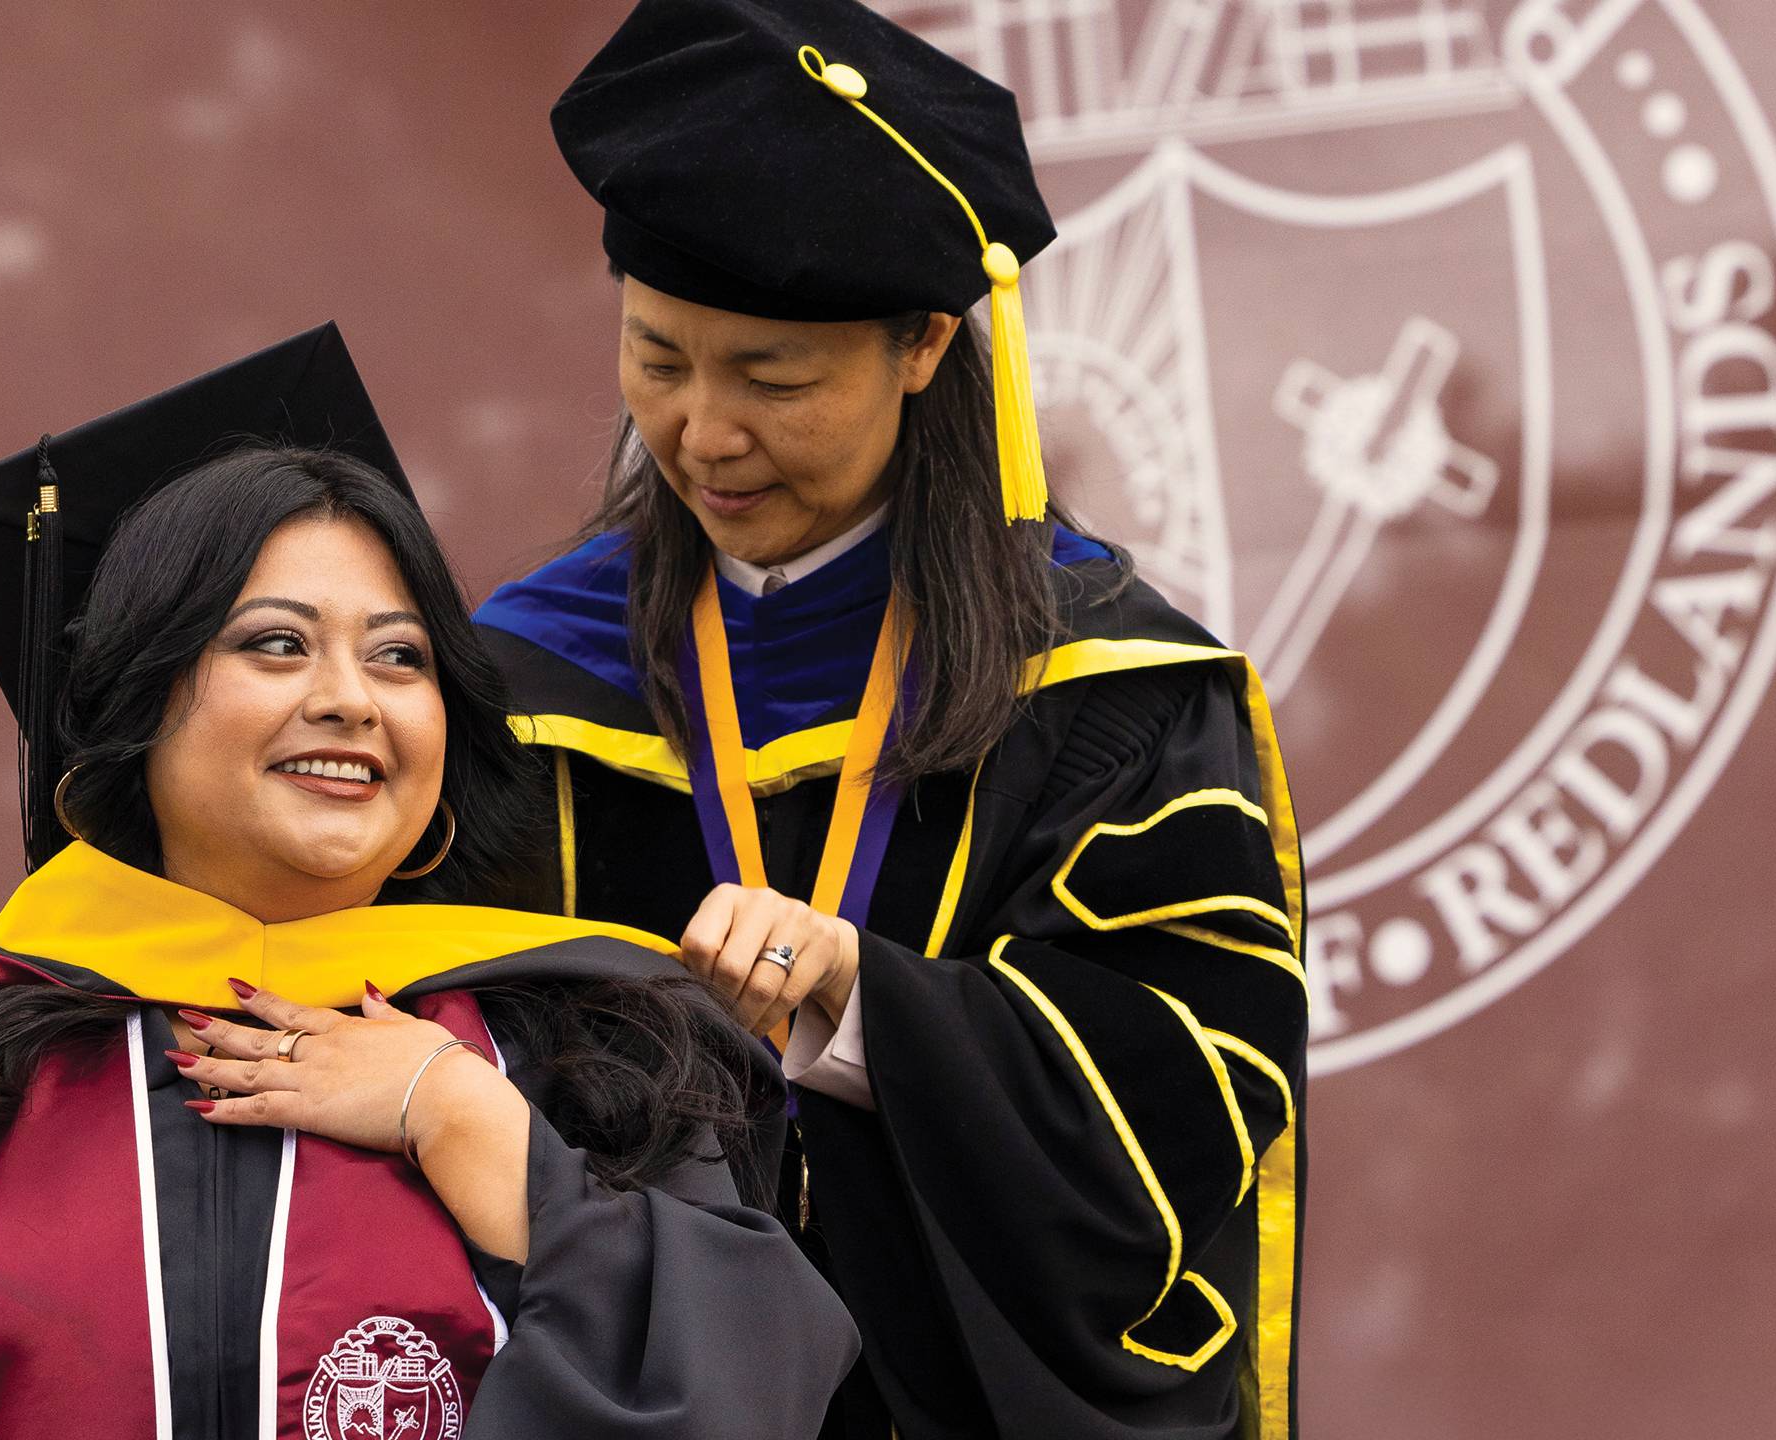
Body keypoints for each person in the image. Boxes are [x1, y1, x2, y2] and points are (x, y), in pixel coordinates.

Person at [0, 327, 858, 1440]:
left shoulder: (578, 1052)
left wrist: (476, 1132)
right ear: (141, 705)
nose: (351, 697)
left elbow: (751, 1389)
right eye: (275, 643)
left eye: (400, 656)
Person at [474, 4, 1307, 1437]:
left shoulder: (1106, 687)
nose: (702, 435)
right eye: (658, 361)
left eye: (771, 378)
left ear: (922, 345)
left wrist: (865, 999)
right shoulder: (527, 682)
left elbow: (1201, 1085)